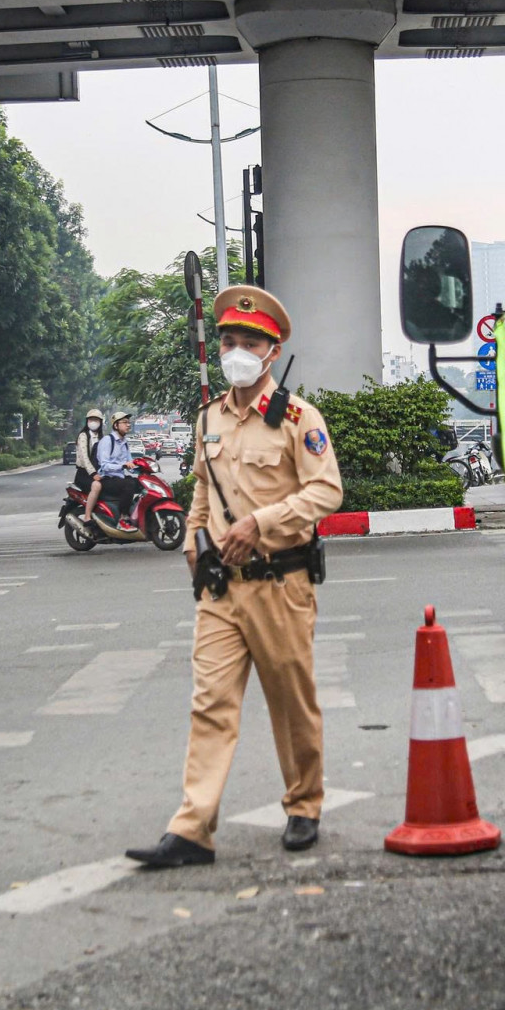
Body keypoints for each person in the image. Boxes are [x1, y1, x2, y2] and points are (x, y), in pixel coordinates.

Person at [127, 286, 342, 869]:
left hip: (281, 583)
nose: (237, 351)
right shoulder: (208, 419)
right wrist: (195, 547)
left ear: (272, 352)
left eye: (250, 342)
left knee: (290, 702)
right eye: (228, 341)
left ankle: (304, 804)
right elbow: (201, 489)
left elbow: (326, 490)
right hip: (222, 588)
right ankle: (193, 827)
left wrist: (264, 522)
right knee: (210, 703)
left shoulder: (299, 418)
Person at [90, 411, 142, 532]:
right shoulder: (108, 441)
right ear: (116, 425)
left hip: (119, 477)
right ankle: (123, 519)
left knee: (142, 484)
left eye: (129, 422)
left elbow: (130, 462)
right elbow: (105, 465)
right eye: (124, 422)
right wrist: (122, 465)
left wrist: (141, 466)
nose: (128, 425)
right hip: (107, 479)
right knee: (128, 485)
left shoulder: (124, 442)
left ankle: (136, 515)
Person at [74, 408, 104, 492]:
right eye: (91, 420)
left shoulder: (101, 438)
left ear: (100, 422)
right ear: (87, 421)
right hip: (84, 474)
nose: (93, 422)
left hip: (99, 472)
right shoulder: (83, 436)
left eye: (96, 420)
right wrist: (93, 473)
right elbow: (84, 457)